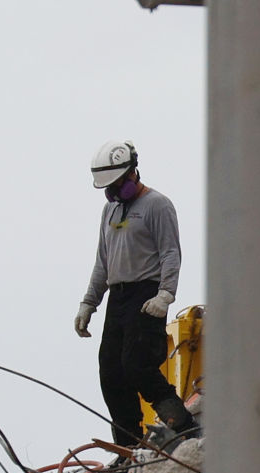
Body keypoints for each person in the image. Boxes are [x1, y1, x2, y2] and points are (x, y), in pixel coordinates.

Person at [73, 140, 193, 447]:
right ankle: (127, 443)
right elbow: (103, 260)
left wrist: (166, 294)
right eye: (107, 188)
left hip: (146, 294)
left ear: (132, 173)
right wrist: (89, 302)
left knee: (137, 365)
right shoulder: (109, 211)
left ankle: (183, 426)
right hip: (118, 295)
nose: (112, 192)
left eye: (116, 184)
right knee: (111, 371)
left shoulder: (157, 205)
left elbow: (170, 253)